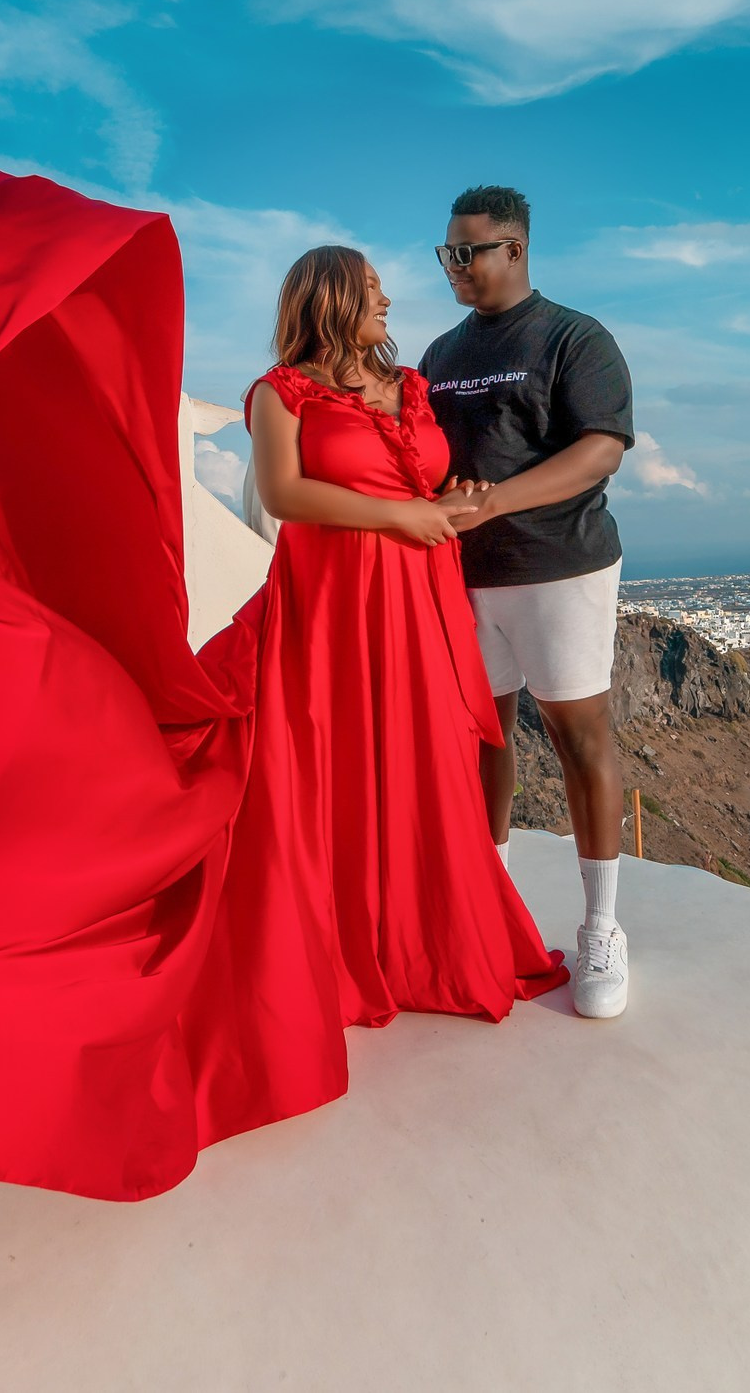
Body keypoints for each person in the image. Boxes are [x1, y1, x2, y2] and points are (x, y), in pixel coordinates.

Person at [196, 245, 567, 1129]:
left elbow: (429, 485)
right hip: (327, 607)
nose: (389, 299)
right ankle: (335, 956)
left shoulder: (415, 387)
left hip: (412, 602)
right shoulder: (277, 394)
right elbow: (286, 496)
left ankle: (418, 949)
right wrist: (404, 513)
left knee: (414, 765)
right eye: (370, 290)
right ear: (330, 298)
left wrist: (458, 498)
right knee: (332, 768)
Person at [420, 187, 636, 1018]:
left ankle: (601, 930)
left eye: (466, 253)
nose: (453, 267)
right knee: (484, 737)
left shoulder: (574, 338)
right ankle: (489, 908)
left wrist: (495, 502)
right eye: (446, 253)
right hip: (461, 575)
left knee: (580, 736)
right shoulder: (439, 353)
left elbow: (598, 452)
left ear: (514, 249)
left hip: (559, 567)